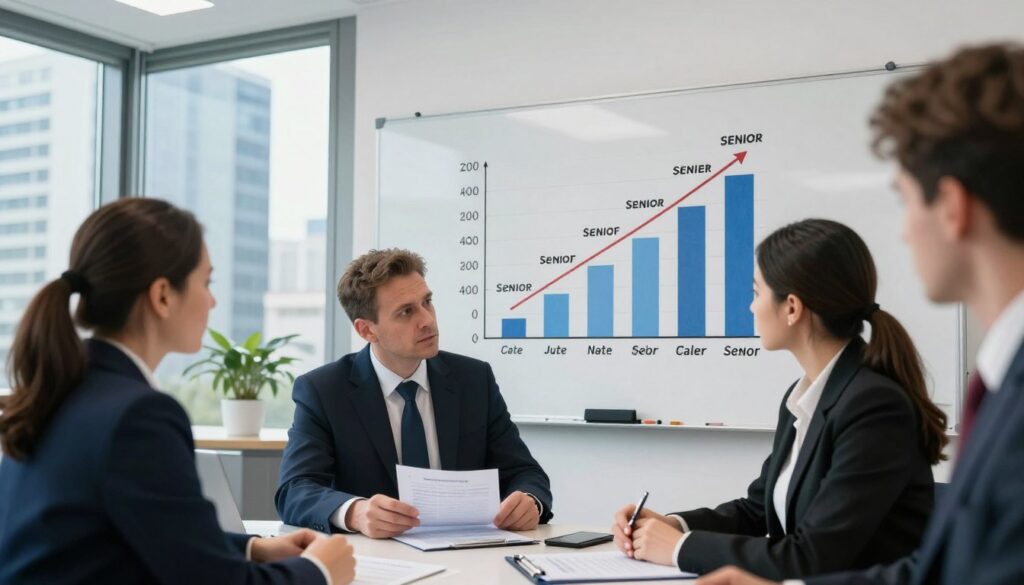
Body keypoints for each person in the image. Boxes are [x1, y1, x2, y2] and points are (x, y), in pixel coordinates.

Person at [695, 43, 1024, 585]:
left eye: (904, 200)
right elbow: (940, 571)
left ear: (952, 206)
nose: (902, 230)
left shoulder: (884, 401)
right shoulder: (1003, 376)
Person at [0, 198, 355, 585]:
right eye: (206, 282)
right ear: (163, 295)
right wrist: (319, 570)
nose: (212, 300)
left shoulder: (64, 388)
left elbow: (134, 533)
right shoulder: (138, 416)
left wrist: (253, 548)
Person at [611, 217, 948, 580]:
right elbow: (758, 511)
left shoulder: (874, 407)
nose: (751, 308)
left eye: (756, 293)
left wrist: (677, 549)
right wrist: (674, 524)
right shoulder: (806, 396)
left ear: (791, 307)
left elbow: (812, 557)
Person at [275, 248, 553, 538]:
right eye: (406, 311)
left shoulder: (473, 380)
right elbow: (295, 490)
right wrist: (355, 512)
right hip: (376, 566)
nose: (427, 320)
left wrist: (529, 500)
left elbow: (525, 473)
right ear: (367, 330)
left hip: (468, 556)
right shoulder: (324, 391)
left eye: (427, 302)